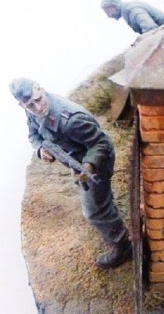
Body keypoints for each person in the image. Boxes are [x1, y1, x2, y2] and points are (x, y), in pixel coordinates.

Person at [10, 78, 132, 269]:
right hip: (77, 161)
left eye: (38, 100)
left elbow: (101, 143)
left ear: (40, 88)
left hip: (97, 161)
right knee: (99, 199)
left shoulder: (71, 120)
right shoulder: (31, 110)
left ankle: (123, 246)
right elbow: (34, 135)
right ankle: (108, 212)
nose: (37, 107)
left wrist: (89, 166)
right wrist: (40, 150)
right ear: (22, 105)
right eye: (30, 105)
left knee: (93, 211)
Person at [100, 0, 164, 34]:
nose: (109, 16)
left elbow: (151, 29)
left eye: (108, 12)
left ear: (114, 6)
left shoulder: (132, 10)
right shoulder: (126, 11)